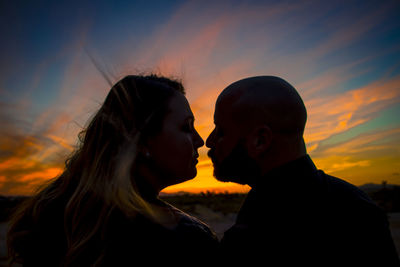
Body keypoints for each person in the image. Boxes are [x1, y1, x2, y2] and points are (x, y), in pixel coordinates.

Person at [7, 75, 218, 266]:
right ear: (143, 141)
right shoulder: (184, 240)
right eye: (186, 127)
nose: (200, 140)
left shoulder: (56, 218)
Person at [206, 76, 399, 266]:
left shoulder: (262, 234)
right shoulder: (359, 207)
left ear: (260, 140)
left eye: (220, 131)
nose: (209, 141)